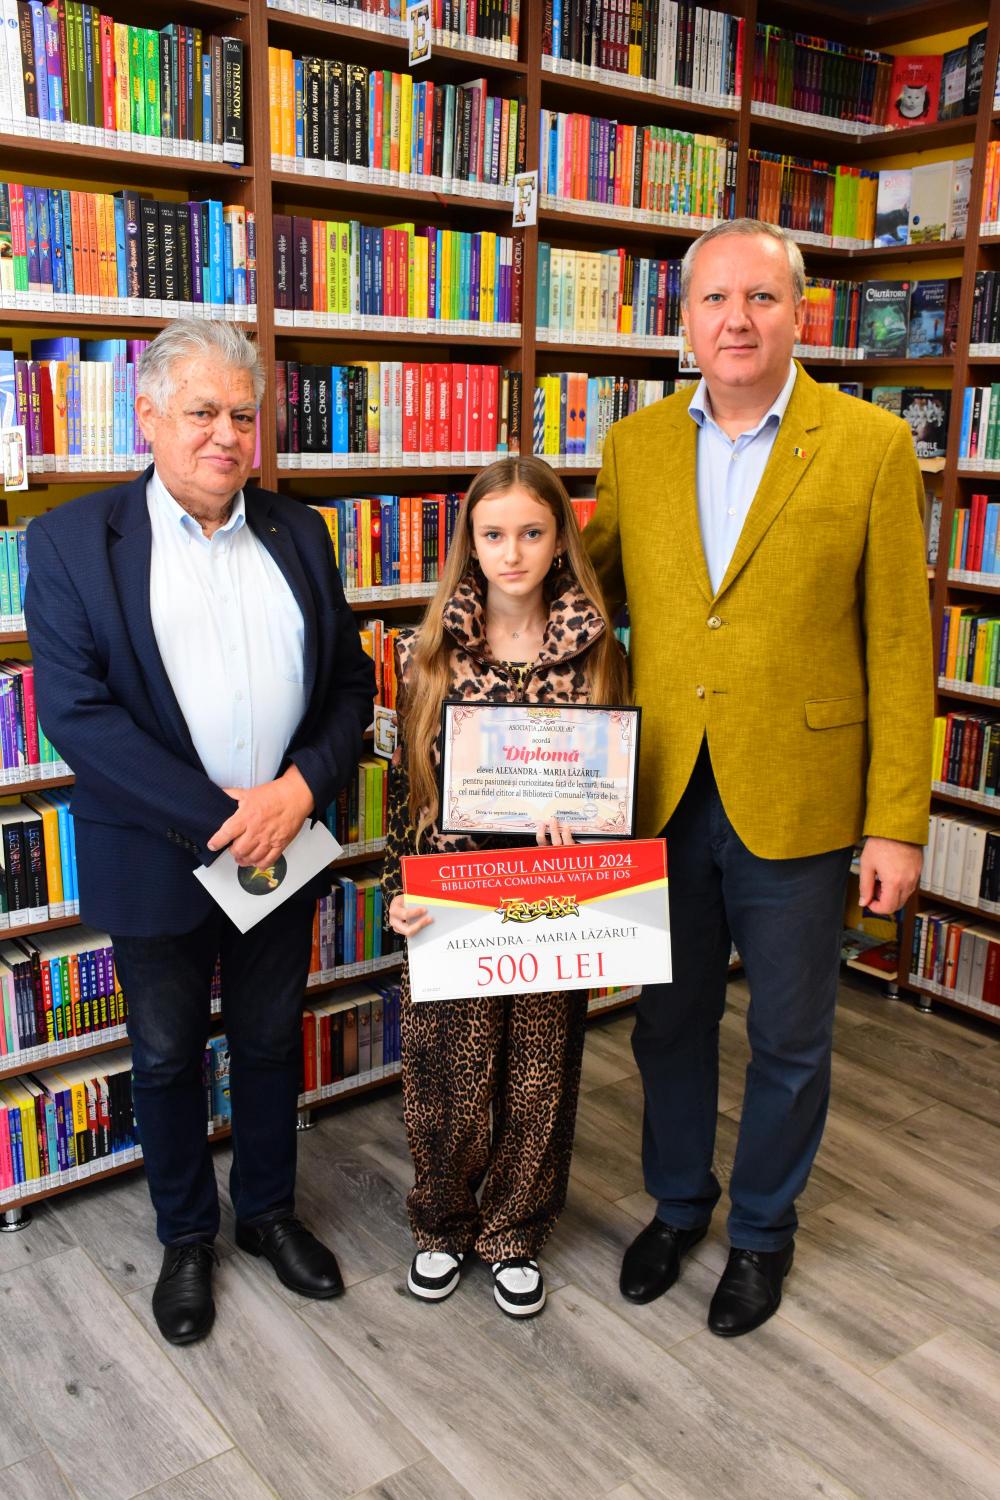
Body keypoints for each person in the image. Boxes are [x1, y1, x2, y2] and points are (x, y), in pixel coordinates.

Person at [584, 219, 934, 1337]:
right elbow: (583, 600)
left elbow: (900, 647)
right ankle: (679, 1204)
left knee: (788, 1038)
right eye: (714, 300)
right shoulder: (634, 446)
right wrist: (466, 639)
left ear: (798, 313)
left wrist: (897, 823)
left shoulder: (871, 445)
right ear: (684, 319)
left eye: (760, 298)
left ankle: (763, 1234)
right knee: (667, 1023)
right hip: (662, 791)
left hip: (802, 794)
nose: (735, 320)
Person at [24, 319, 376, 1345]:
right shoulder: (73, 541)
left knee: (269, 1041)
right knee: (168, 1055)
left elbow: (349, 685)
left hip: (284, 850)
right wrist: (229, 819)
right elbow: (77, 715)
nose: (226, 435)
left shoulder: (299, 532)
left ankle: (266, 1214)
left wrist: (298, 791)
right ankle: (186, 1237)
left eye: (242, 415)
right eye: (202, 412)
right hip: (161, 854)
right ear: (147, 417)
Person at [382, 455, 629, 1318]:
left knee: (540, 1071)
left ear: (560, 540)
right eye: (494, 535)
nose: (512, 553)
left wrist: (587, 830)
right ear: (471, 543)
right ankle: (441, 1223)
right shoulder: (430, 651)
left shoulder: (599, 654)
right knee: (445, 1073)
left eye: (531, 532)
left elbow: (614, 786)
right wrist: (397, 888)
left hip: (550, 894)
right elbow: (406, 788)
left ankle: (515, 1230)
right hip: (449, 897)